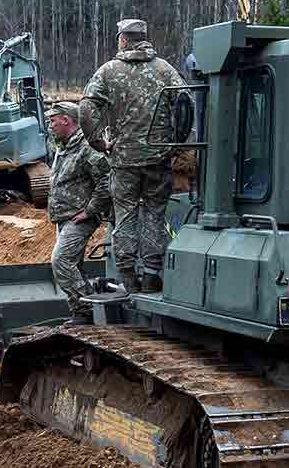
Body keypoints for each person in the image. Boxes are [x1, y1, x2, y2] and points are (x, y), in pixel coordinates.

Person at [80, 18, 187, 293]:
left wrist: (98, 143)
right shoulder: (165, 70)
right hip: (158, 159)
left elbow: (86, 109)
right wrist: (177, 142)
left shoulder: (108, 72)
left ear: (123, 40)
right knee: (154, 213)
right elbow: (187, 103)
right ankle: (152, 274)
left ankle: (128, 276)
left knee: (125, 214)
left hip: (124, 161)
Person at [44, 101, 112, 324]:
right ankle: (81, 314)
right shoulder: (63, 146)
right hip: (64, 218)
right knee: (74, 265)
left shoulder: (86, 147)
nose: (50, 125)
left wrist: (90, 210)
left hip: (79, 218)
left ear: (66, 120)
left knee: (61, 260)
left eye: (53, 120)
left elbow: (106, 180)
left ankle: (88, 305)